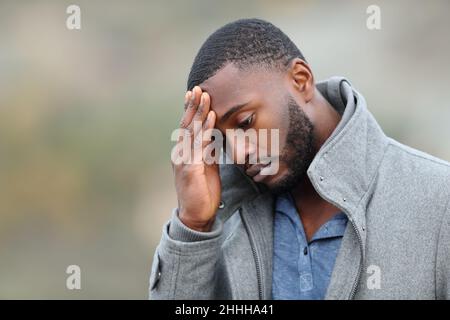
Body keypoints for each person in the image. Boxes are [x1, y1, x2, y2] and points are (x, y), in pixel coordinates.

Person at [149, 18, 450, 299]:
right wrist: (195, 226)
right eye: (222, 140)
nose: (238, 153)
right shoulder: (222, 224)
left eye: (245, 122)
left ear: (300, 79)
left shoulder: (438, 200)